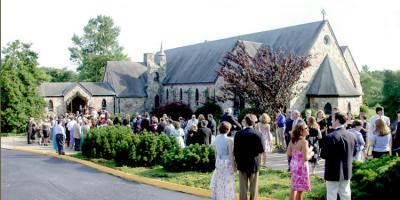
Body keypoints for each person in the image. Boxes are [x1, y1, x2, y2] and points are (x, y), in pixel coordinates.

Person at [320, 112, 356, 200]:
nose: (331, 122)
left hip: (332, 170)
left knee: (332, 194)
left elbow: (323, 155)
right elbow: (353, 153)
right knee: (346, 193)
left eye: (332, 119)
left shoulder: (330, 137)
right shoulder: (352, 136)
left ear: (337, 120)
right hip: (347, 170)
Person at [234, 114, 264, 200]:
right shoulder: (257, 134)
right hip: (254, 163)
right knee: (254, 186)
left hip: (242, 162)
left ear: (245, 123)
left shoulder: (238, 134)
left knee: (242, 187)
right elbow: (261, 150)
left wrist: (236, 161)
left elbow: (235, 150)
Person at [210, 121, 236, 200]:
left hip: (218, 161)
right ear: (228, 130)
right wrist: (234, 166)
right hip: (226, 162)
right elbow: (231, 155)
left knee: (219, 181)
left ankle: (219, 197)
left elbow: (216, 152)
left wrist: (216, 161)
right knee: (227, 182)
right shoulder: (229, 140)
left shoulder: (216, 138)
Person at [287, 123, 313, 200]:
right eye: (306, 128)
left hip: (294, 166)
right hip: (301, 168)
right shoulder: (304, 142)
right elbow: (305, 158)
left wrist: (298, 155)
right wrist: (311, 153)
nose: (308, 129)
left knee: (294, 187)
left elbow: (289, 153)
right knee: (300, 190)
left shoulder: (292, 140)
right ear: (301, 131)